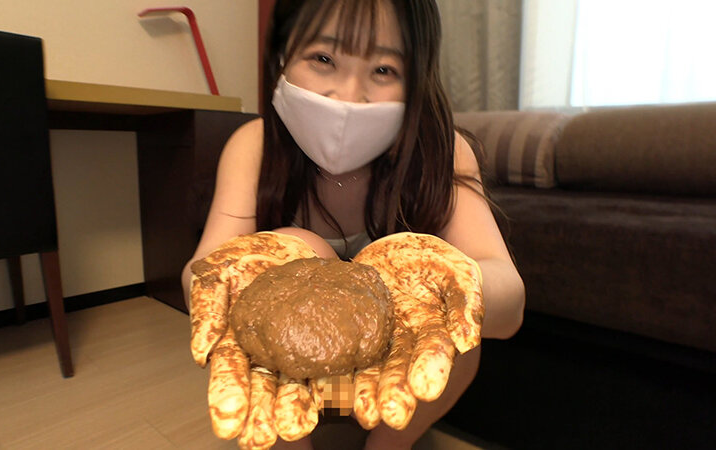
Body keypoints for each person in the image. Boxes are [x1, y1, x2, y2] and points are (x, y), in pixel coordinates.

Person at [182, 0, 525, 448]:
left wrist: (440, 281)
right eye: (323, 58)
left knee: (457, 328)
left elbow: (510, 303)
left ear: (417, 80)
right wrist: (244, 279)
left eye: (383, 70)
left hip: (399, 376)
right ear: (281, 56)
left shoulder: (444, 151)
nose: (348, 95)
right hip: (291, 374)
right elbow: (202, 276)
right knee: (295, 246)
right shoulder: (254, 147)